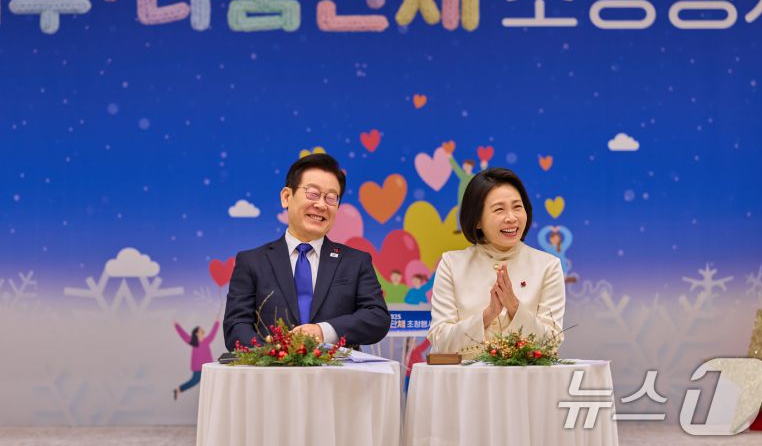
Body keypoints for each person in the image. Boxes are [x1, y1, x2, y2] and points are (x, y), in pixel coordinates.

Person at [224, 153, 390, 349]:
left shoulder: (355, 261)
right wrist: (273, 354)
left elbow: (377, 317)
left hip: (338, 368)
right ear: (286, 197)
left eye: (331, 198)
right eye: (312, 193)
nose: (321, 205)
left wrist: (324, 331)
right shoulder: (252, 262)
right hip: (271, 367)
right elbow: (236, 327)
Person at [428, 168, 565, 359]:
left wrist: (514, 308)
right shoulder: (452, 264)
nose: (512, 218)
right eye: (499, 209)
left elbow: (551, 343)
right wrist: (488, 315)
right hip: (465, 377)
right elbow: (441, 341)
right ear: (477, 220)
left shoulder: (548, 266)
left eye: (517, 207)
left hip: (526, 377)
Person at [173, 320, 219, 400]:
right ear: (197, 333)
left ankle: (212, 397)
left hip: (208, 366)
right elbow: (183, 335)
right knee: (194, 381)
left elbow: (213, 333)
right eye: (200, 330)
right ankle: (179, 389)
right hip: (198, 367)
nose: (202, 331)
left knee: (211, 381)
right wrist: (177, 325)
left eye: (202, 330)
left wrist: (217, 323)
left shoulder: (207, 340)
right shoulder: (194, 342)